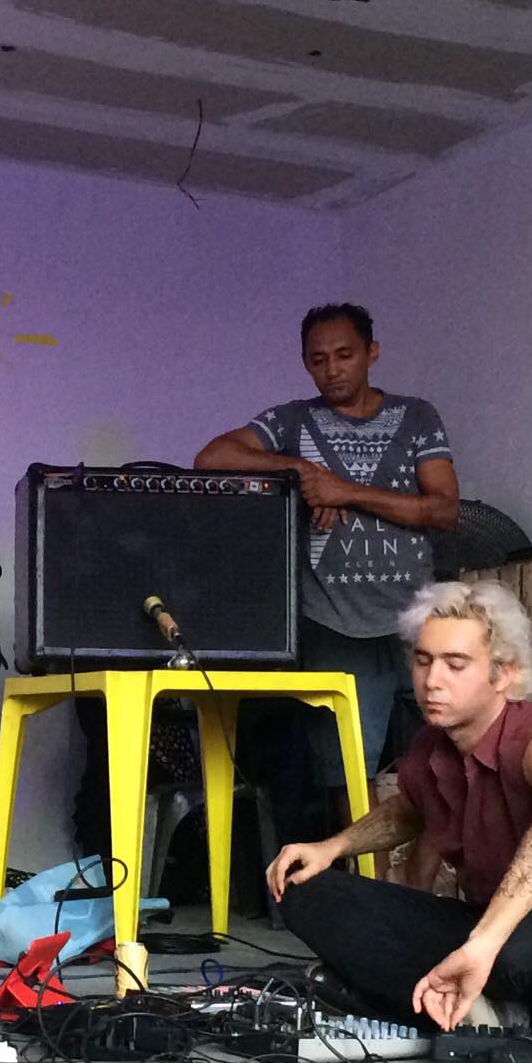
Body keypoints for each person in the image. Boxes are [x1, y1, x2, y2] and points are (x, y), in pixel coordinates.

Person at [264, 581, 532, 1032]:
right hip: (493, 932)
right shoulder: (432, 744)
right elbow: (410, 809)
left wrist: (484, 942)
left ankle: (419, 995)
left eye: (455, 665)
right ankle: (469, 1005)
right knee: (303, 887)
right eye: (423, 660)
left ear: (504, 673)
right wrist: (334, 846)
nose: (432, 681)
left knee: (517, 946)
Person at [195, 302, 460, 795]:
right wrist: (303, 472)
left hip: (418, 618)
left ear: (372, 352)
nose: (332, 369)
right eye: (318, 360)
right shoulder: (294, 421)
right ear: (305, 363)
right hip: (333, 624)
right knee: (349, 781)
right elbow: (212, 457)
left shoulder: (416, 416)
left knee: (454, 769)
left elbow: (444, 509)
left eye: (345, 355)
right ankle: (357, 852)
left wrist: (344, 491)